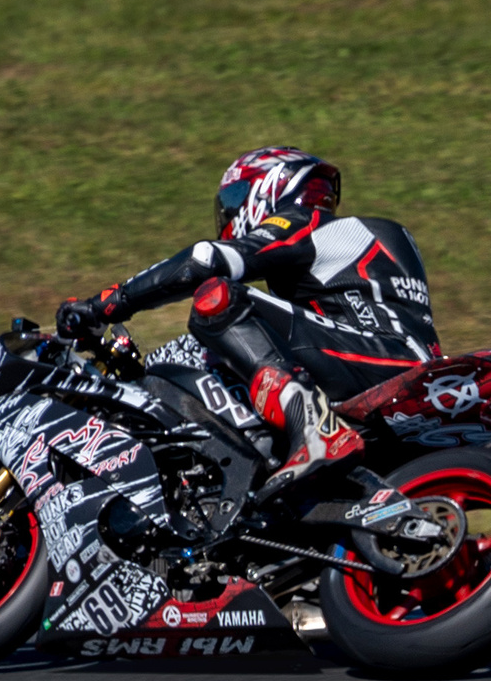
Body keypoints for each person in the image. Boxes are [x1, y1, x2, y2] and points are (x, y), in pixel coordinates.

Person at [55, 147, 441, 494]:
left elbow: (205, 260)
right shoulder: (351, 243)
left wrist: (104, 305)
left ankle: (313, 429)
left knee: (219, 297)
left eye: (234, 198)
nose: (229, 212)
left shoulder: (309, 222)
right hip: (390, 365)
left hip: (379, 360)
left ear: (270, 188)